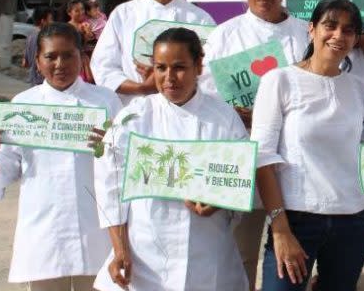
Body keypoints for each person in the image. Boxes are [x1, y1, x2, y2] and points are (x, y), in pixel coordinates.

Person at [93, 27, 249, 291]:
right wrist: (119, 248)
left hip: (206, 251)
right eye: (160, 68)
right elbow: (110, 185)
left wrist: (219, 200)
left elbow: (240, 179)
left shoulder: (224, 118)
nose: (169, 78)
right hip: (145, 253)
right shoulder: (135, 117)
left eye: (179, 67)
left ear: (198, 65)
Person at [0, 22, 122, 291]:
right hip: (44, 224)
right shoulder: (23, 104)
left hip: (95, 223)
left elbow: (123, 161)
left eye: (68, 55)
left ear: (82, 57)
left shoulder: (105, 100)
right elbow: (10, 165)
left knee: (98, 284)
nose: (60, 64)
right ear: (37, 62)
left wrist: (112, 146)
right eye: (50, 56)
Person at [201, 0, 308, 290]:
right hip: (244, 156)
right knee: (240, 252)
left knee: (291, 251)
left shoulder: (305, 33)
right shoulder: (224, 35)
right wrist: (237, 111)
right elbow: (206, 93)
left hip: (293, 159)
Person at [251, 0, 364, 291]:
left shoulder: (358, 88)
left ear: (356, 38)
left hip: (352, 222)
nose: (338, 36)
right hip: (296, 220)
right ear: (312, 28)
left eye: (348, 30)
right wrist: (280, 229)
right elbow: (262, 158)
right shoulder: (280, 80)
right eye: (330, 25)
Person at [91, 0, 215, 105]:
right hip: (133, 112)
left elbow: (209, 74)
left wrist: (170, 81)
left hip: (186, 115)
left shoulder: (200, 20)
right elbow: (103, 67)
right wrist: (142, 88)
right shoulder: (124, 14)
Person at [66, 0, 96, 83]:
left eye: (82, 9)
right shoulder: (67, 28)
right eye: (77, 11)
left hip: (89, 59)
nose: (81, 13)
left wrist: (88, 33)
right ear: (69, 13)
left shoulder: (87, 25)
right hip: (76, 61)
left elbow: (93, 43)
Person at [22, 5, 53, 85]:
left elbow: (25, 63)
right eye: (50, 19)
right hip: (43, 81)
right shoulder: (45, 38)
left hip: (33, 80)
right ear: (43, 21)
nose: (52, 22)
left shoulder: (30, 37)